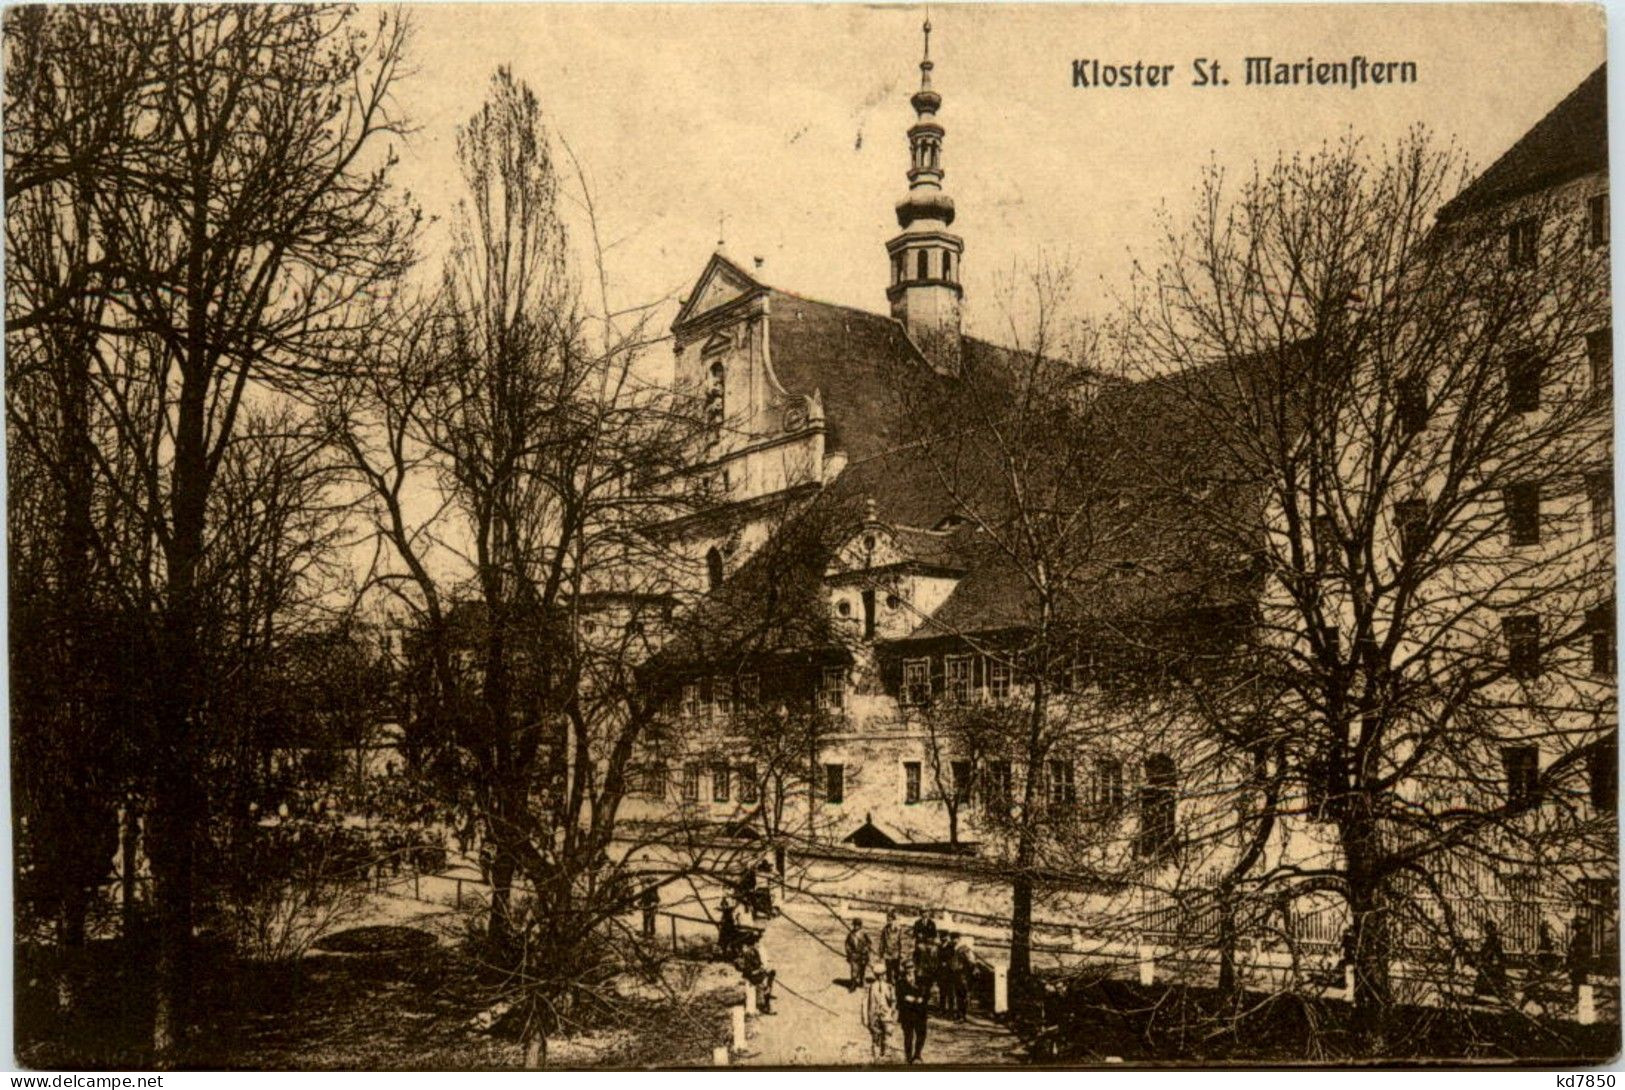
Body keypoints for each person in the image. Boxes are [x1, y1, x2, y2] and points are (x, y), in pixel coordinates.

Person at [895, 962, 930, 1064]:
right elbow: (900, 996)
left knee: (921, 1034)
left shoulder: (921, 981)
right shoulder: (900, 982)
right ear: (905, 970)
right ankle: (909, 1057)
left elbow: (927, 994)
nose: (910, 970)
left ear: (914, 969)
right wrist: (906, 998)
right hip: (907, 1014)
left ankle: (917, 1055)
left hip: (920, 1013)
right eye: (908, 968)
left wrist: (922, 998)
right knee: (908, 1036)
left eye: (912, 968)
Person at [861, 970, 897, 1062]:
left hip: (886, 1016)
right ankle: (876, 1058)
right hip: (874, 1015)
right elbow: (865, 1003)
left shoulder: (889, 987)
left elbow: (893, 1001)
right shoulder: (870, 988)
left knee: (886, 1036)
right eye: (879, 975)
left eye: (882, 975)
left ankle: (884, 1055)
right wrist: (865, 1018)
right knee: (876, 1037)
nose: (882, 977)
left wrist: (892, 1012)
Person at [736, 936, 777, 1014]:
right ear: (752, 944)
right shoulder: (748, 953)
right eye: (756, 943)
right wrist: (760, 970)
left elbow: (760, 964)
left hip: (755, 975)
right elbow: (749, 971)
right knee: (765, 985)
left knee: (770, 978)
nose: (758, 945)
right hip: (751, 977)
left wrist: (762, 968)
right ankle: (766, 1007)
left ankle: (766, 1005)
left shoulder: (756, 951)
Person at [1474, 920, 1507, 997]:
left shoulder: (1494, 941)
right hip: (1490, 963)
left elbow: (1492, 952)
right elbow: (1485, 951)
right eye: (1487, 929)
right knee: (1484, 977)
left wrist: (1483, 960)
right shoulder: (1490, 940)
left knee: (1488, 977)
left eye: (1489, 929)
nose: (1487, 931)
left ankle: (1501, 994)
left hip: (1493, 963)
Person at [845, 918, 872, 990]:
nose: (855, 927)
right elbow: (847, 944)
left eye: (857, 925)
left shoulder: (864, 933)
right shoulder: (851, 934)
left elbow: (869, 942)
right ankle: (853, 984)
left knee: (862, 969)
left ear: (860, 926)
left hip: (863, 955)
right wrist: (849, 952)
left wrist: (866, 948)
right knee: (854, 969)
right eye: (854, 925)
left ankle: (862, 982)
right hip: (854, 955)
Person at [1568, 914, 1594, 990]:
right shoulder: (1577, 936)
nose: (1579, 929)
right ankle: (1575, 993)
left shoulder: (1586, 937)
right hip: (1577, 962)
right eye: (1578, 928)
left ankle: (1579, 995)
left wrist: (1576, 950)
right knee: (1575, 979)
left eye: (1580, 928)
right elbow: (1572, 946)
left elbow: (1586, 949)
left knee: (1581, 979)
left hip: (1582, 961)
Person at [879, 909, 903, 982]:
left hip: (896, 952)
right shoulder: (885, 930)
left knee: (896, 969)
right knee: (888, 969)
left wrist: (901, 953)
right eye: (887, 919)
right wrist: (881, 952)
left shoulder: (899, 929)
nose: (888, 921)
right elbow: (882, 941)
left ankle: (897, 983)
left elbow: (901, 941)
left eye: (890, 919)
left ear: (893, 919)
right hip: (887, 952)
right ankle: (889, 982)